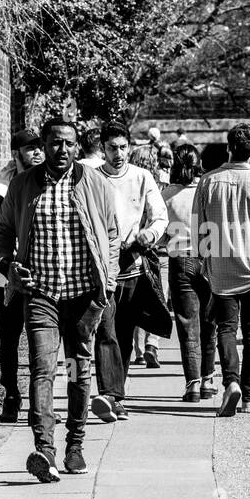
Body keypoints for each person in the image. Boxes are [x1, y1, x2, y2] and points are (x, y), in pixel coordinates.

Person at [0, 116, 120, 482]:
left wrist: (106, 284)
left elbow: (111, 234)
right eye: (54, 143)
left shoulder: (93, 182)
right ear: (43, 146)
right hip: (41, 295)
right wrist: (7, 265)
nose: (61, 150)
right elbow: (2, 231)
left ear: (76, 146)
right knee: (42, 369)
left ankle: (75, 444)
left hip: (82, 296)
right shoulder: (22, 185)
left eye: (68, 143)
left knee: (79, 368)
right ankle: (44, 449)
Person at [196, 123, 250, 417]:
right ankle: (249, 397)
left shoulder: (208, 182)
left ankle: (230, 382)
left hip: (221, 269)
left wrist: (204, 261)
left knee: (227, 329)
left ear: (229, 147)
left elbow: (200, 229)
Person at [92, 120, 168, 420]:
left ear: (130, 147)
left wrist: (148, 235)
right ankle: (108, 394)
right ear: (103, 149)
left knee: (123, 335)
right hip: (101, 270)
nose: (119, 153)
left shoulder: (142, 176)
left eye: (123, 147)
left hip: (134, 267)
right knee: (106, 332)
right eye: (112, 148)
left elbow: (159, 216)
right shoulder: (90, 178)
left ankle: (116, 395)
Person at [0, 129, 45, 422]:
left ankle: (38, 402)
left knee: (39, 338)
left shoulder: (48, 183)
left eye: (40, 147)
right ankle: (11, 395)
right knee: (9, 338)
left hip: (40, 274)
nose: (38, 153)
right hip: (6, 275)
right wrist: (3, 256)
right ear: (16, 153)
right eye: (31, 149)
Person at [162, 143, 217, 402]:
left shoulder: (168, 194)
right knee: (210, 322)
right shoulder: (209, 189)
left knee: (187, 325)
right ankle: (209, 378)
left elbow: (160, 234)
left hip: (180, 258)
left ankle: (193, 383)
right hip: (210, 256)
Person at [128, 143, 164, 369]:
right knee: (156, 299)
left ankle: (139, 350)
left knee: (134, 302)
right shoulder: (160, 185)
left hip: (132, 248)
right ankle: (152, 343)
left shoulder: (128, 182)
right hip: (155, 249)